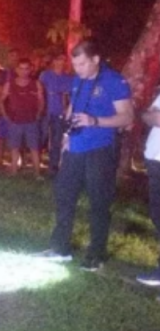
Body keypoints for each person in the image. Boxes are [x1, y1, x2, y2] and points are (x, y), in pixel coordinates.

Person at [39, 41, 133, 271]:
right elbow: (73, 106)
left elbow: (127, 117)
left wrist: (95, 121)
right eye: (75, 64)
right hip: (75, 148)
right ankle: (60, 247)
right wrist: (65, 137)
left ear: (96, 59)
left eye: (82, 64)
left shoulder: (114, 81)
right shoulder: (79, 80)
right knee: (64, 196)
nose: (78, 69)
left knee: (98, 203)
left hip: (100, 149)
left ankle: (96, 254)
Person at [0, 58, 44, 178]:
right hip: (15, 121)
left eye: (26, 68)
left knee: (34, 148)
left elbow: (41, 100)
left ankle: (37, 174)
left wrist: (39, 114)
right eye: (21, 68)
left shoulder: (36, 83)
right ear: (17, 70)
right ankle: (13, 172)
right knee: (14, 148)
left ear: (30, 70)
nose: (24, 71)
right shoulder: (9, 84)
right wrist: (5, 115)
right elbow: (1, 100)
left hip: (32, 121)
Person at [135, 87, 160, 287]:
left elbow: (155, 118)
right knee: (156, 214)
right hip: (155, 160)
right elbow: (147, 116)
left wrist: (152, 115)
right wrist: (151, 114)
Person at [39, 53, 73, 175]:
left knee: (56, 140)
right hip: (45, 112)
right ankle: (36, 164)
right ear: (53, 61)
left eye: (64, 60)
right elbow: (40, 92)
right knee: (41, 137)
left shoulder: (68, 78)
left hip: (59, 113)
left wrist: (66, 110)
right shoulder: (45, 75)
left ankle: (53, 167)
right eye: (58, 59)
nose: (61, 62)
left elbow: (69, 96)